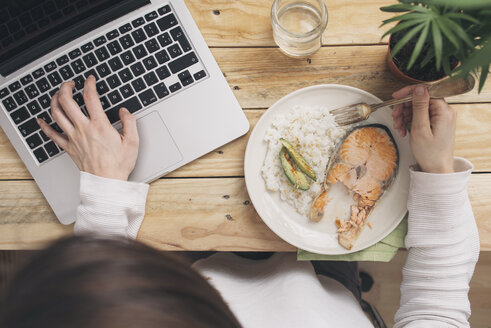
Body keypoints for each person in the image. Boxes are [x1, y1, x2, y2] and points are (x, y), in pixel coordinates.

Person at [0, 77, 479, 328]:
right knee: (338, 271)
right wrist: (436, 172)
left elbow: (95, 297)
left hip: (191, 270)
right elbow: (437, 312)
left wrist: (103, 188)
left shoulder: (109, 305)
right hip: (329, 286)